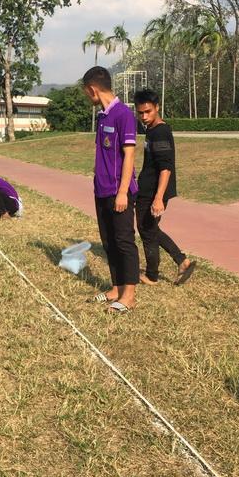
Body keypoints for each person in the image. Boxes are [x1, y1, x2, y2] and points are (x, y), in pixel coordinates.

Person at [81, 66, 140, 314]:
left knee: (124, 242)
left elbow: (129, 155)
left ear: (92, 89)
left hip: (119, 190)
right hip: (102, 189)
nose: (87, 97)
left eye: (86, 93)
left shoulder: (123, 114)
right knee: (109, 242)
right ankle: (116, 288)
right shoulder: (102, 116)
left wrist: (123, 191)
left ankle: (129, 296)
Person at [133, 90, 195, 286]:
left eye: (148, 112)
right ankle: (181, 261)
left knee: (146, 230)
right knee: (150, 229)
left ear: (157, 108)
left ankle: (152, 275)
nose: (144, 116)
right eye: (140, 112)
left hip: (153, 191)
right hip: (148, 189)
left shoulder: (159, 132)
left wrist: (158, 197)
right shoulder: (152, 129)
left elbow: (165, 167)